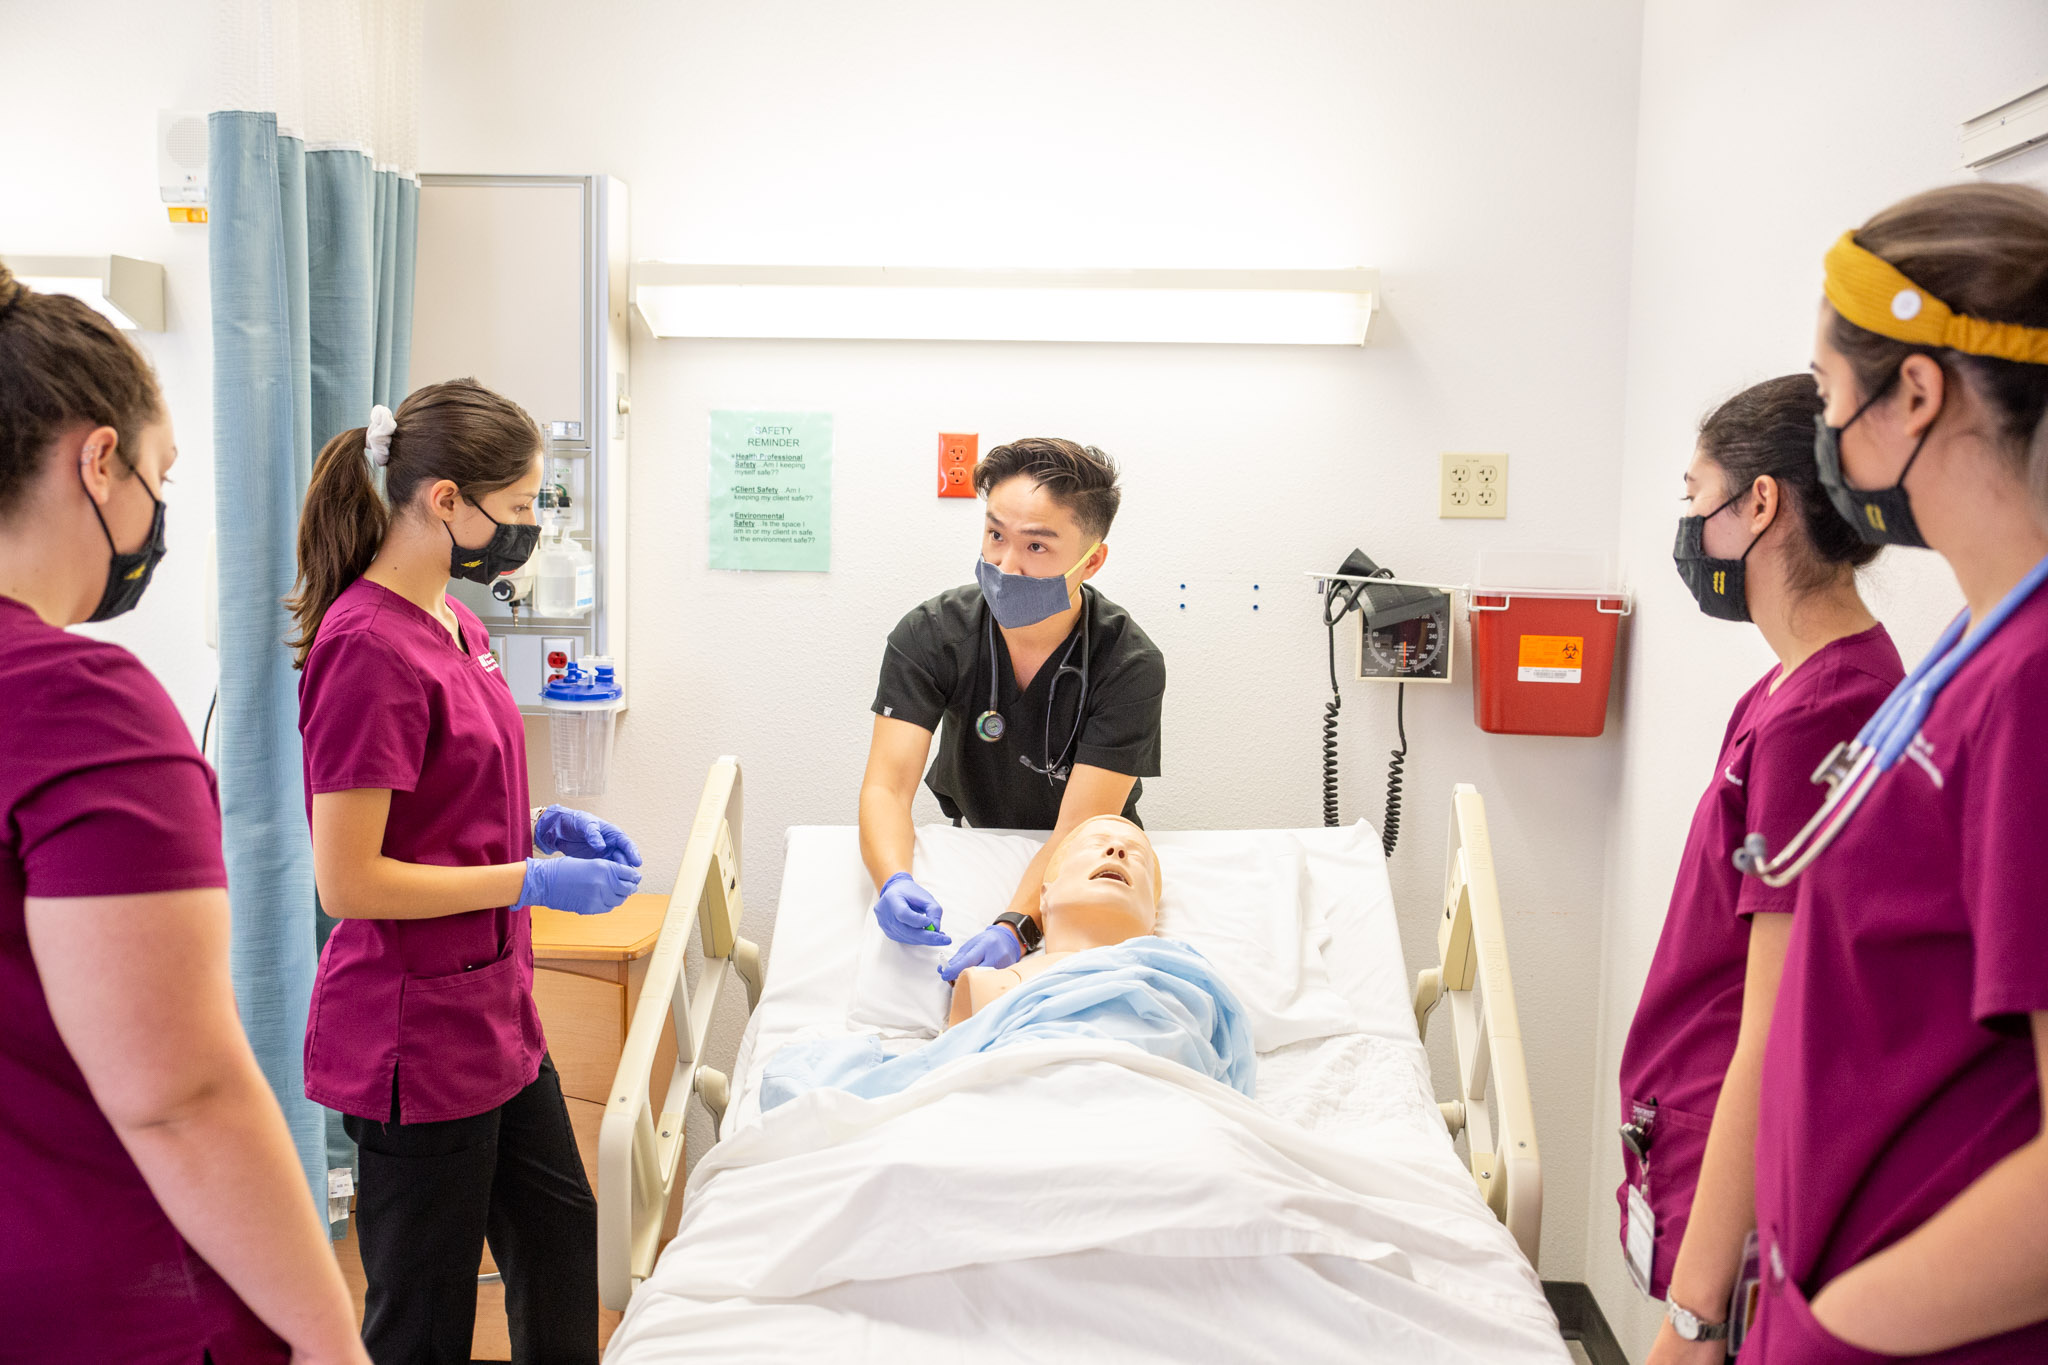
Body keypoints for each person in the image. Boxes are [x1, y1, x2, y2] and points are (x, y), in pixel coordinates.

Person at [0, 266, 369, 1364]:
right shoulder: (73, 704)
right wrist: (327, 1335)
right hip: (100, 1298)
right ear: (98, 460)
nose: (159, 511)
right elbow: (181, 1094)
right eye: (160, 474)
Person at [1745, 182, 2048, 1361]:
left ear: (1913, 390)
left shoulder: (2028, 684)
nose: (1824, 432)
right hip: (1830, 1278)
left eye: (1827, 394)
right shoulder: (1972, 651)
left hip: (1911, 1331)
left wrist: (1836, 1333)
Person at [290, 380, 644, 1365]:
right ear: (444, 500)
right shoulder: (364, 646)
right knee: (425, 1311)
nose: (530, 527)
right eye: (522, 506)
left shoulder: (456, 623)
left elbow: (439, 800)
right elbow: (348, 882)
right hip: (414, 1033)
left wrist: (540, 827)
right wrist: (526, 879)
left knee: (561, 1237)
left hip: (494, 1016)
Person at [1616, 375, 1902, 1360]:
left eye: (1693, 495)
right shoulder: (1784, 693)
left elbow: (1778, 1026)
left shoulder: (1824, 713)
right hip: (1704, 1159)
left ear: (1760, 504)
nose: (1688, 525)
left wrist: (1692, 1318)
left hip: (1752, 1203)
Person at [859, 437, 1166, 987]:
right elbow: (888, 786)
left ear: (1090, 560)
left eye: (1037, 547)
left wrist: (1017, 926)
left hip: (1088, 863)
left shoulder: (1129, 663)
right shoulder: (932, 634)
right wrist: (893, 880)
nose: (1005, 564)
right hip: (978, 838)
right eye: (995, 534)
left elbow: (1074, 829)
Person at [947, 813, 1165, 1025]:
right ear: (1045, 896)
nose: (1117, 850)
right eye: (1095, 844)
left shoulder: (1186, 982)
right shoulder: (984, 988)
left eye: (1137, 856)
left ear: (1153, 923)